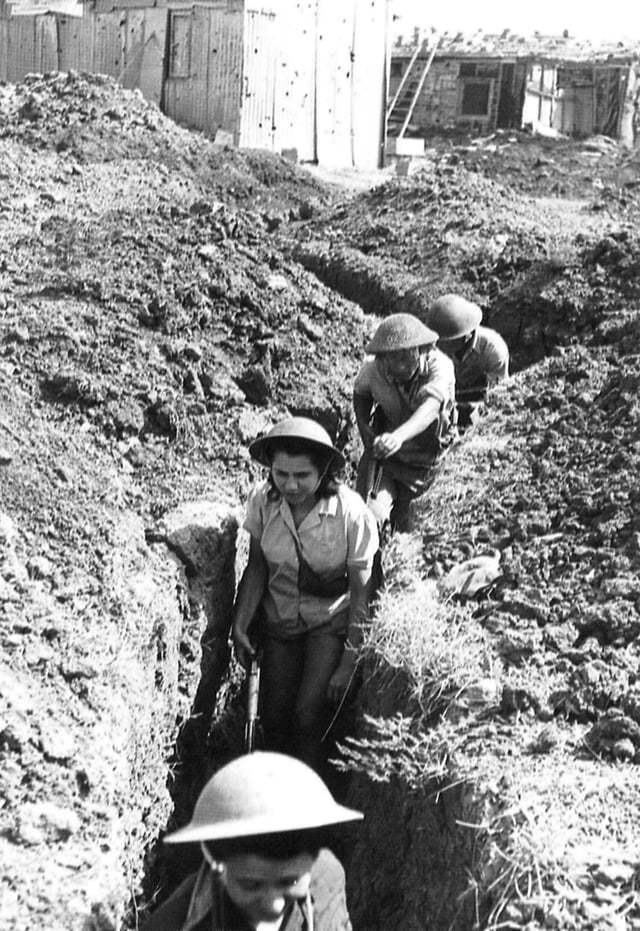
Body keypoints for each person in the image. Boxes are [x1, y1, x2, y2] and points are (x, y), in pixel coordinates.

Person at [232, 417, 378, 773]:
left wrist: (348, 663)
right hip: (280, 619)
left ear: (324, 470)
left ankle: (310, 806)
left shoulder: (351, 513)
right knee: (275, 714)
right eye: (281, 474)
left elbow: (362, 592)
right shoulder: (263, 502)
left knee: (307, 714)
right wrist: (240, 624)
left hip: (328, 622)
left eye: (302, 476)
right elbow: (256, 567)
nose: (291, 485)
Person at [144, 751, 363, 931]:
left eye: (289, 882)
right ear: (217, 867)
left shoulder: (325, 877)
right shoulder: (171, 924)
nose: (273, 904)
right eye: (250, 884)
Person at [353, 313, 456, 533]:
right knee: (369, 516)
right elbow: (360, 392)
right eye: (388, 359)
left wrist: (398, 437)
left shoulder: (440, 367)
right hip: (388, 460)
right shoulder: (374, 369)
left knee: (412, 527)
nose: (395, 368)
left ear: (420, 350)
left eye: (403, 358)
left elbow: (430, 408)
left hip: (428, 462)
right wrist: (364, 426)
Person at [426, 293, 509, 428]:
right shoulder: (434, 347)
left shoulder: (492, 349)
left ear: (467, 336)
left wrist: (473, 410)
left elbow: (498, 396)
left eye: (447, 341)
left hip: (478, 403)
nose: (439, 345)